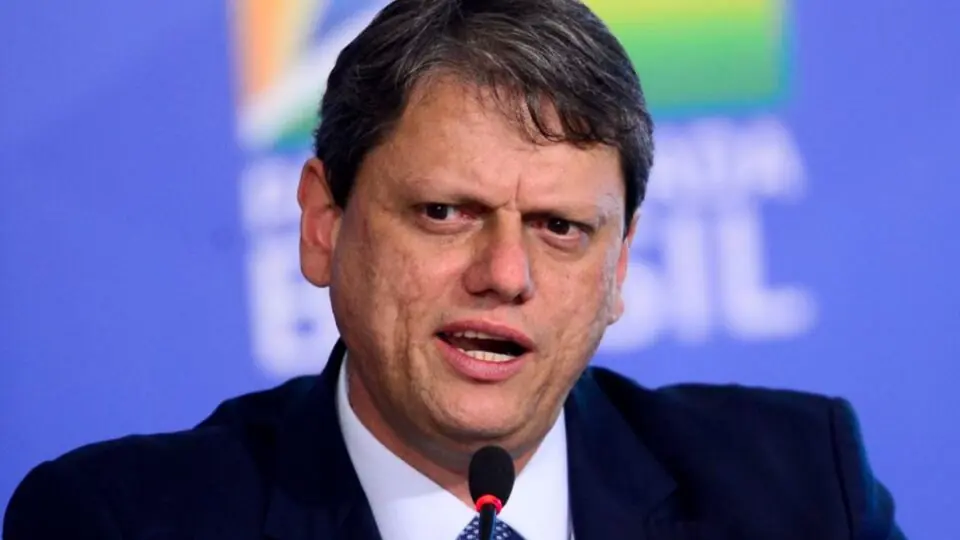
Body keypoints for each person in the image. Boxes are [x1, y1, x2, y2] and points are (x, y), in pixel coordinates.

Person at [4, 0, 905, 538]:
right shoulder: (119, 521)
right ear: (323, 224)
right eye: (445, 213)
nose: (505, 273)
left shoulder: (800, 489)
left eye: (560, 228)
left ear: (621, 265)